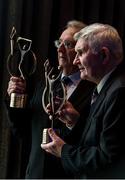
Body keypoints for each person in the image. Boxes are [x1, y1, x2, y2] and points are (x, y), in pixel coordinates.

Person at [6, 20, 95, 178]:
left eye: (67, 44)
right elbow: (23, 132)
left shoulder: (93, 91)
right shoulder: (43, 85)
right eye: (58, 43)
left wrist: (74, 122)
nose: (60, 49)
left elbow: (91, 143)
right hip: (34, 175)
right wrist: (15, 99)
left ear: (82, 49)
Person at [41, 23, 125, 179]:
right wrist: (75, 122)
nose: (75, 61)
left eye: (80, 53)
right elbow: (96, 141)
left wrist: (63, 151)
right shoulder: (105, 87)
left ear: (104, 55)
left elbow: (107, 158)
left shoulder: (119, 92)